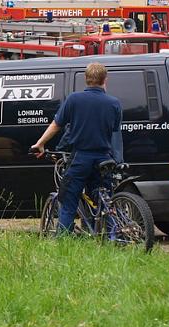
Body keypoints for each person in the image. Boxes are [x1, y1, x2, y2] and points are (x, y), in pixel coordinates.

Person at [31, 62, 122, 234]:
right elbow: (115, 133)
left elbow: (57, 125)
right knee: (105, 200)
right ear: (105, 80)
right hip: (105, 158)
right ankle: (113, 236)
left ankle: (63, 239)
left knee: (68, 199)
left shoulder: (74, 99)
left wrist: (40, 143)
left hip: (81, 158)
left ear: (86, 80)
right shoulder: (114, 103)